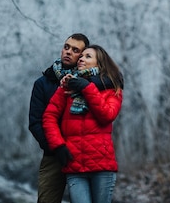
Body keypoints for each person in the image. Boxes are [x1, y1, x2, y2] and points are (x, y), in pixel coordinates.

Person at [43, 44, 124, 203]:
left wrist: (87, 87)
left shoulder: (112, 90)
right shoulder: (67, 85)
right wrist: (58, 145)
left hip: (102, 165)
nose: (81, 59)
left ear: (99, 64)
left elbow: (107, 115)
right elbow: (49, 116)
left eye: (88, 56)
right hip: (74, 164)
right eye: (81, 56)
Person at [29, 33, 90, 203]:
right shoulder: (42, 83)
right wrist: (56, 148)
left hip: (83, 155)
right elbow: (35, 123)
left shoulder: (90, 81)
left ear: (83, 56)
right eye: (66, 47)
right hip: (53, 156)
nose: (68, 52)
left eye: (75, 50)